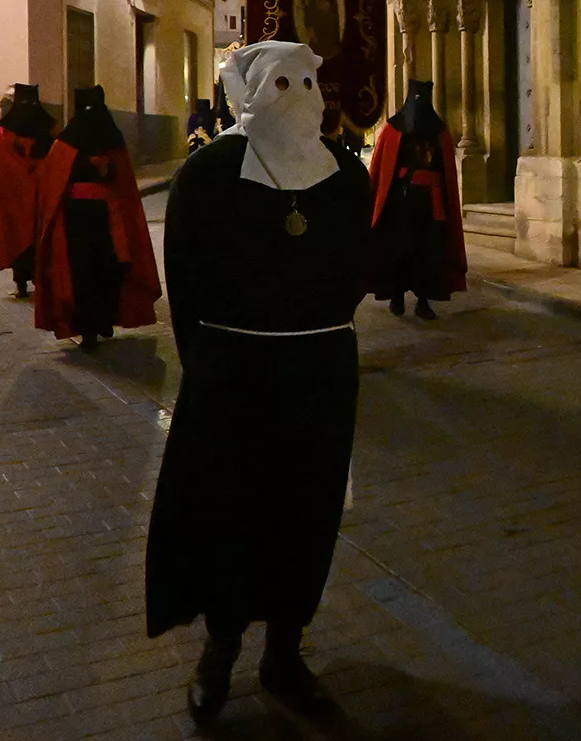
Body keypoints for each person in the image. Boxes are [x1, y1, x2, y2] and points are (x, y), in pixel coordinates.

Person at [146, 41, 371, 723]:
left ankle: (285, 651)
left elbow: (358, 267)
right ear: (246, 90)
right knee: (231, 515)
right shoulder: (209, 174)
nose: (298, 91)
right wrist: (213, 362)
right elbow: (184, 284)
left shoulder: (346, 177)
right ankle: (220, 648)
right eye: (281, 81)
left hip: (321, 375)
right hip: (233, 379)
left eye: (308, 80)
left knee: (307, 513)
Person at [32, 85, 159, 349]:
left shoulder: (67, 141)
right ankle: (103, 321)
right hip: (109, 219)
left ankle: (89, 329)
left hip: (76, 218)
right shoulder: (112, 137)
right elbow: (124, 184)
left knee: (81, 272)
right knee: (109, 269)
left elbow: (52, 183)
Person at [368, 80, 465, 320]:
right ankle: (397, 296)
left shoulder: (439, 132)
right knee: (399, 251)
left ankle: (423, 302)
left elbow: (446, 172)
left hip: (432, 205)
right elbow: (381, 170)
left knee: (428, 254)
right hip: (400, 204)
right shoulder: (392, 130)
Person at [0, 84, 57, 298]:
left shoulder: (6, 130)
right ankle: (41, 280)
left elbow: (1, 162)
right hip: (40, 193)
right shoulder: (48, 125)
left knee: (18, 236)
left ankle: (21, 284)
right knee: (40, 236)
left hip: (15, 196)